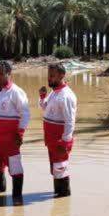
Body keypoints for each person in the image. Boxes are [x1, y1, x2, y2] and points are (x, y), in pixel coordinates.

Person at [0, 60, 30, 201]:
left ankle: (17, 199)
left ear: (9, 74)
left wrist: (20, 132)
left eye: (1, 74)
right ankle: (0, 195)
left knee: (15, 169)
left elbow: (25, 114)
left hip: (10, 139)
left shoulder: (16, 92)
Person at [39, 62, 77, 197]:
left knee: (61, 169)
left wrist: (65, 141)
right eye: (49, 75)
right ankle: (58, 196)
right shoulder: (54, 93)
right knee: (56, 169)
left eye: (52, 76)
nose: (49, 78)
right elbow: (45, 108)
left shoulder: (66, 95)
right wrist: (42, 97)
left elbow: (70, 120)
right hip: (51, 139)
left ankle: (64, 198)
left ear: (62, 75)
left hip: (60, 140)